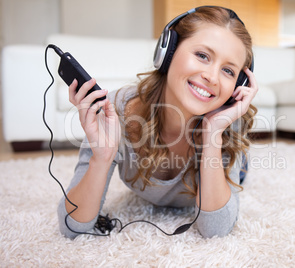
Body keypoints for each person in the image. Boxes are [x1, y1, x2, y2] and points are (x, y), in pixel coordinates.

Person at [58, 6, 258, 239]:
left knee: (240, 169)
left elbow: (215, 230)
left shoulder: (226, 124)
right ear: (168, 52)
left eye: (227, 71)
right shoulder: (116, 111)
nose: (212, 77)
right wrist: (101, 158)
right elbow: (71, 226)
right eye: (202, 56)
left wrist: (212, 135)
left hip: (232, 158)